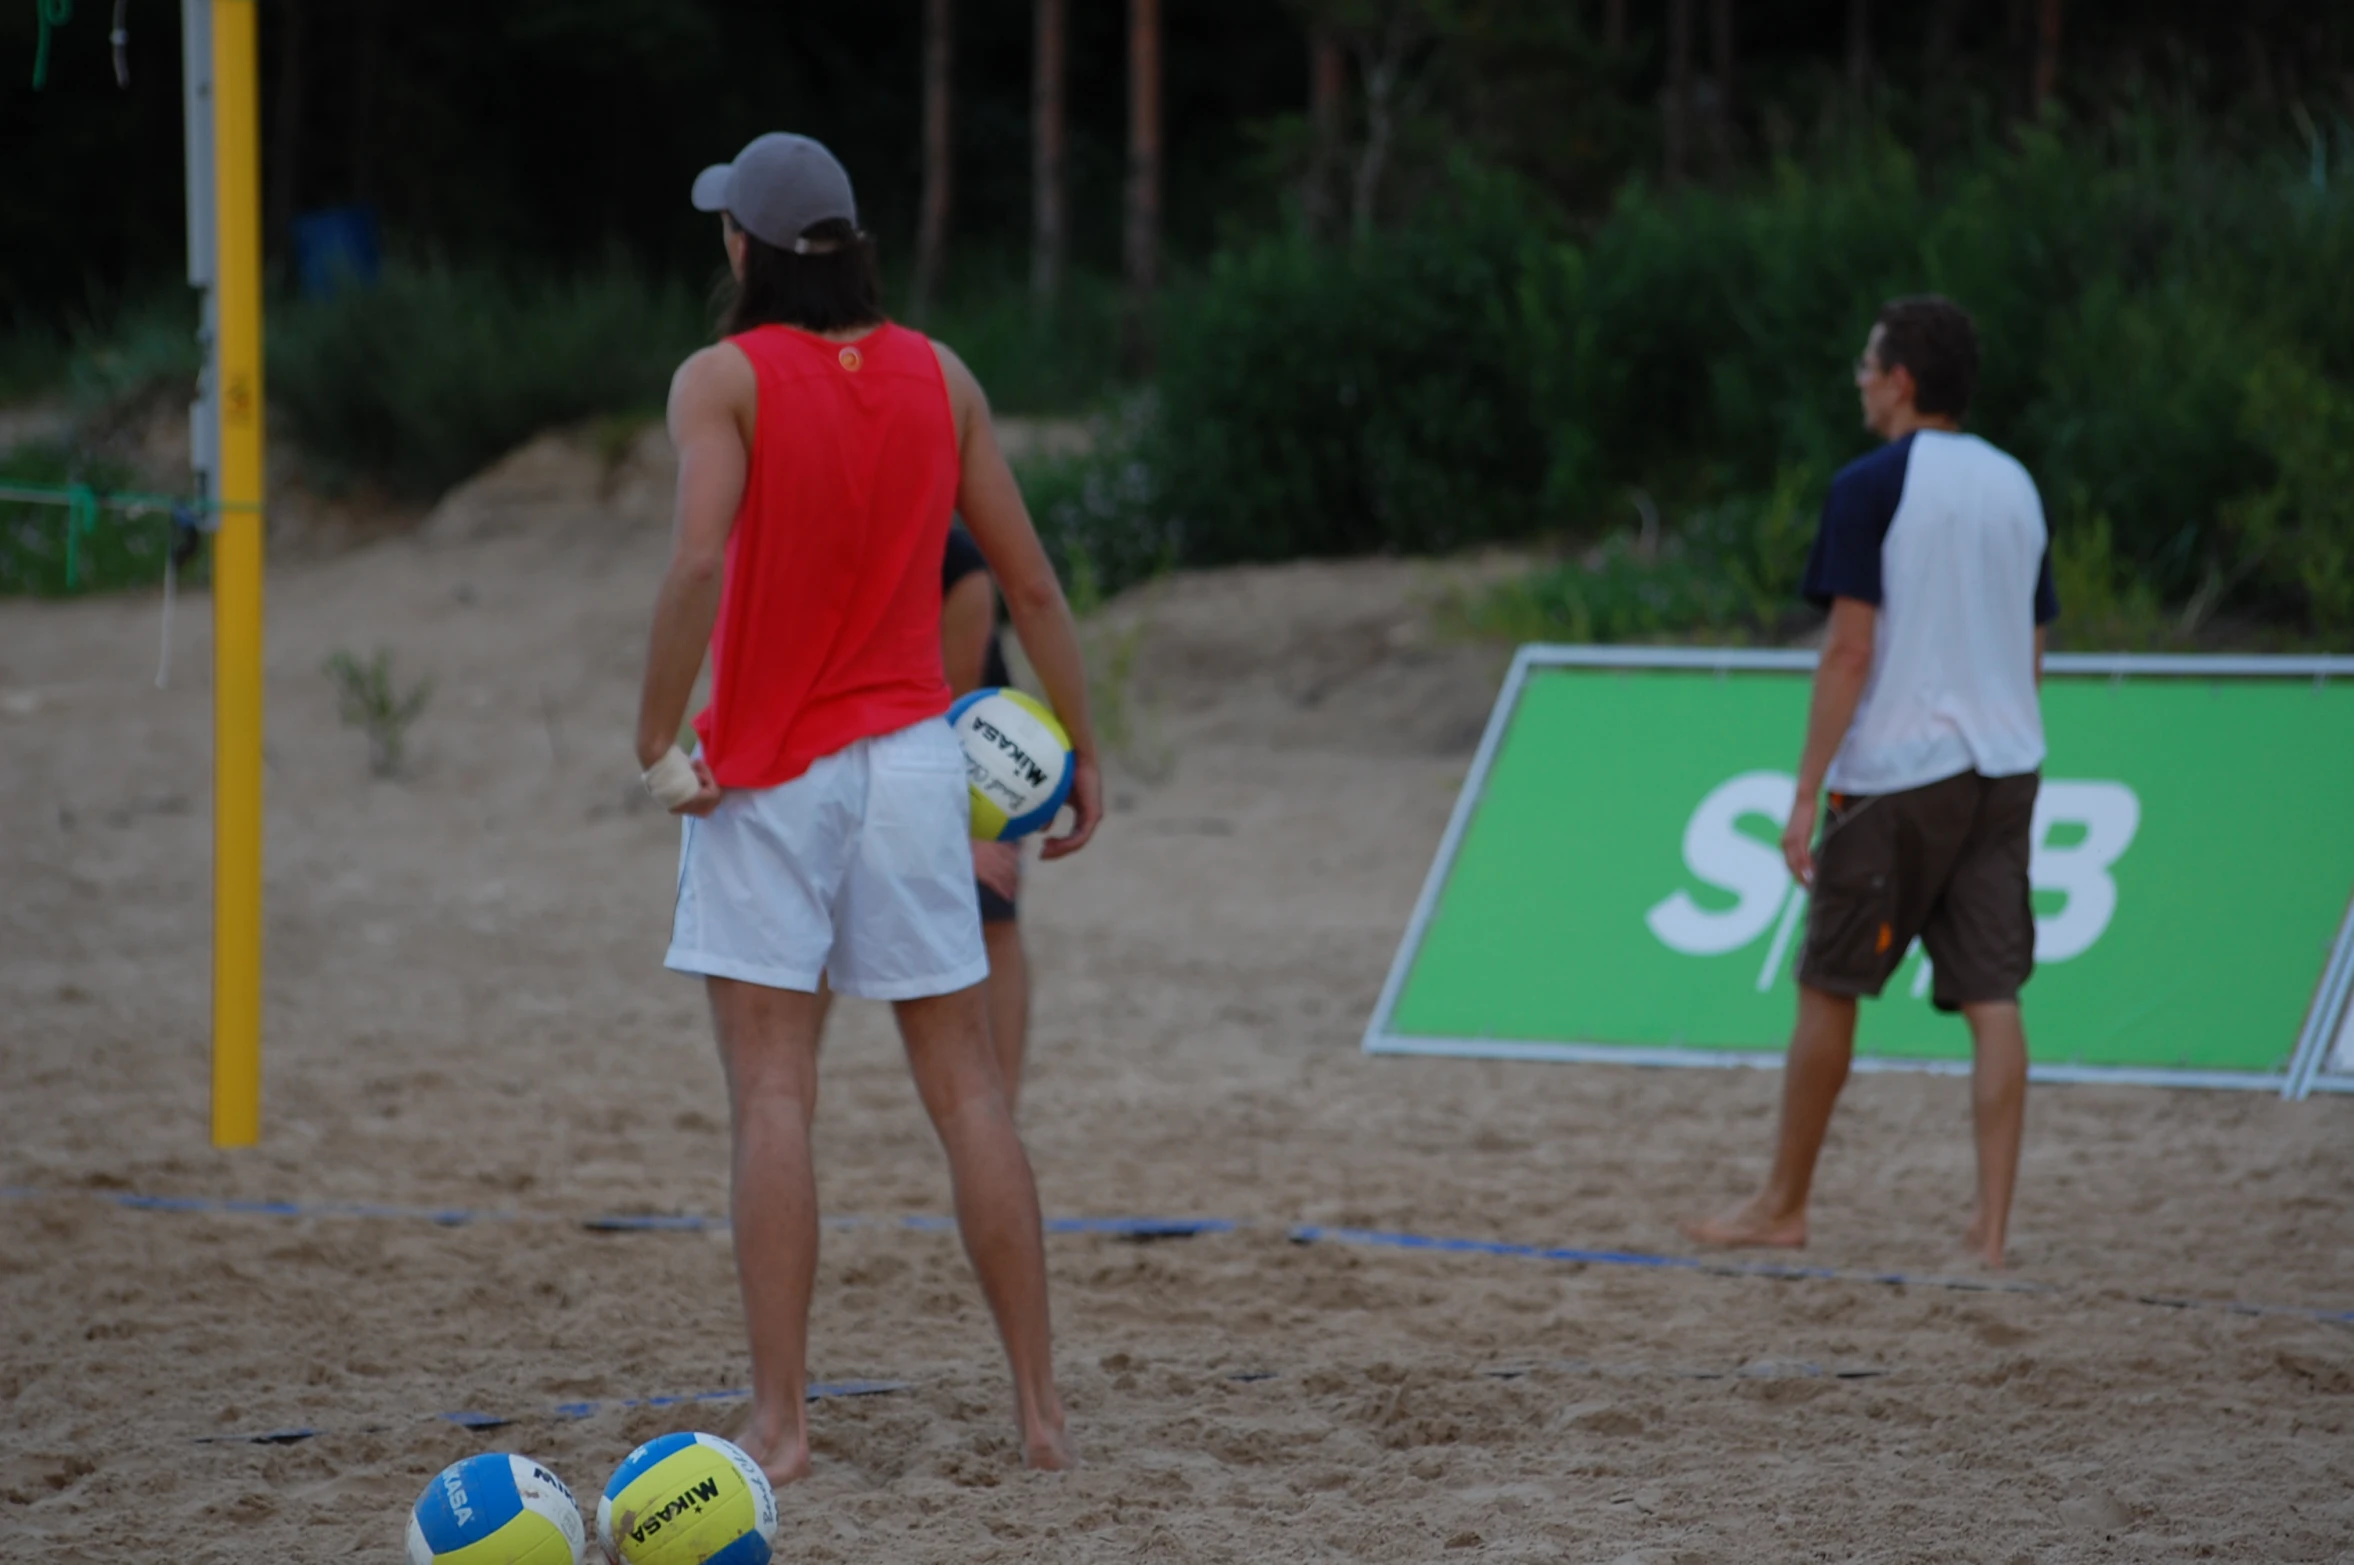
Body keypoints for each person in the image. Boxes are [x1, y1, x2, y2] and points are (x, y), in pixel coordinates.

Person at [632, 132, 1101, 1481]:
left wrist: (654, 734)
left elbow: (694, 565)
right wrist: (1078, 746)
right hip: (911, 765)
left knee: (774, 1091)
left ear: (746, 246)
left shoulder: (720, 379)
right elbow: (1033, 584)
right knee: (970, 1092)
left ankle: (779, 1424)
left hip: (771, 768)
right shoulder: (940, 372)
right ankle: (1040, 1415)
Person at [1684, 295, 2057, 1270]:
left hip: (1896, 770)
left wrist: (1806, 790)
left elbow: (1848, 651)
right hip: (2003, 764)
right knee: (1992, 996)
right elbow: (2031, 641)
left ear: (1899, 381)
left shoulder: (1868, 484)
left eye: (1865, 363)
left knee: (1827, 985)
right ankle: (1989, 1231)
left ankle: (1781, 1203)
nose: (1856, 378)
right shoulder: (2016, 484)